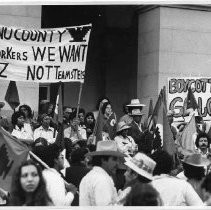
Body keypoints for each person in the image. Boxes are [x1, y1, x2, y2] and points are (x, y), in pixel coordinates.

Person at [79, 140, 125, 206]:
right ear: (103, 160)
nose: (117, 163)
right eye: (114, 159)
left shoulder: (89, 176)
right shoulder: (102, 180)